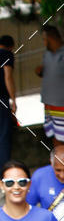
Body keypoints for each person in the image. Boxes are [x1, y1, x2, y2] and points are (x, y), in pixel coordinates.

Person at [0, 35, 17, 168]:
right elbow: (8, 77)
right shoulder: (6, 54)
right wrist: (13, 100)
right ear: (11, 47)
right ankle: (4, 171)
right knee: (4, 136)